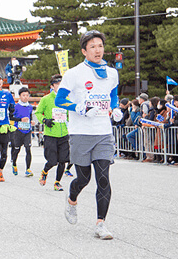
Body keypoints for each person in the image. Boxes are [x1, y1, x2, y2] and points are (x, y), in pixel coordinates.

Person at [55, 30, 119, 240]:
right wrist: (78, 108)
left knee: (103, 178)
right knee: (83, 178)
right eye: (92, 46)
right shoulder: (74, 74)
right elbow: (59, 101)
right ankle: (72, 198)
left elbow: (113, 97)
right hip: (81, 133)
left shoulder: (112, 73)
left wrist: (116, 109)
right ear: (84, 51)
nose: (97, 50)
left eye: (100, 45)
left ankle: (101, 224)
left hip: (102, 132)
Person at [35, 74, 70, 191]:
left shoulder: (67, 100)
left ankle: (57, 182)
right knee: (52, 161)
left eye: (62, 84)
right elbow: (38, 113)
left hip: (64, 134)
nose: (60, 86)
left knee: (63, 160)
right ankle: (45, 171)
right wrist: (45, 120)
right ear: (52, 86)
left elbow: (70, 116)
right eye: (57, 84)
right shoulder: (46, 99)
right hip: (50, 134)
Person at [10, 87, 34, 177]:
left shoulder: (30, 107)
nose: (25, 97)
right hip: (18, 131)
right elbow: (11, 117)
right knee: (17, 149)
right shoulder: (16, 106)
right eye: (23, 95)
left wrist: (31, 121)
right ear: (19, 96)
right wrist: (20, 119)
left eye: (27, 95)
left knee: (28, 149)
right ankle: (14, 164)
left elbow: (29, 116)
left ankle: (28, 169)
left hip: (27, 130)